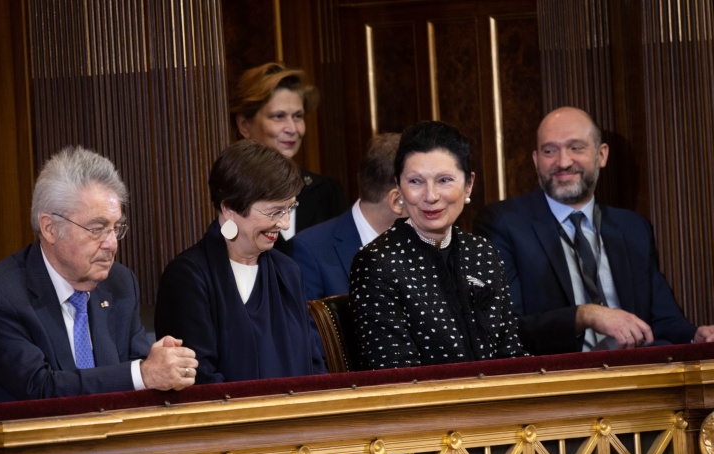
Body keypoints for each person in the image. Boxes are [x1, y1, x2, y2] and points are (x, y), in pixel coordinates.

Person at [0, 147, 197, 406]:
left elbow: (134, 372)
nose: (112, 244)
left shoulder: (119, 283)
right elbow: (42, 390)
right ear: (50, 228)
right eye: (97, 229)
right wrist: (143, 373)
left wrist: (158, 364)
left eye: (116, 228)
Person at [473, 106, 714, 355]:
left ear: (602, 155)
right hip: (561, 373)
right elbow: (503, 328)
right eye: (549, 151)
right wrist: (585, 315)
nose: (563, 162)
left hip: (635, 368)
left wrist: (695, 336)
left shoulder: (633, 227)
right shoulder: (503, 224)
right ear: (536, 160)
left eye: (576, 148)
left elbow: (664, 320)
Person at [350, 121, 527, 369]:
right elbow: (395, 373)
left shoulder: (483, 252)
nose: (431, 196)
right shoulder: (377, 263)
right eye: (415, 181)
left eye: (444, 180)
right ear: (398, 187)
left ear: (468, 185)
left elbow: (510, 353)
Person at [154, 140, 327, 383]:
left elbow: (313, 366)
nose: (285, 224)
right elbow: (199, 380)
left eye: (289, 209)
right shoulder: (187, 276)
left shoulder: (288, 270)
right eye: (274, 212)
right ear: (229, 208)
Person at [230, 62, 348, 251]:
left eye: (298, 116)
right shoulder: (229, 195)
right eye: (278, 116)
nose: (292, 129)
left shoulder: (326, 192)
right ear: (244, 125)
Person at [291, 133, 404, 302]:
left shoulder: (429, 244)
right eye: (418, 182)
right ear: (397, 199)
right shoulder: (309, 251)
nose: (432, 195)